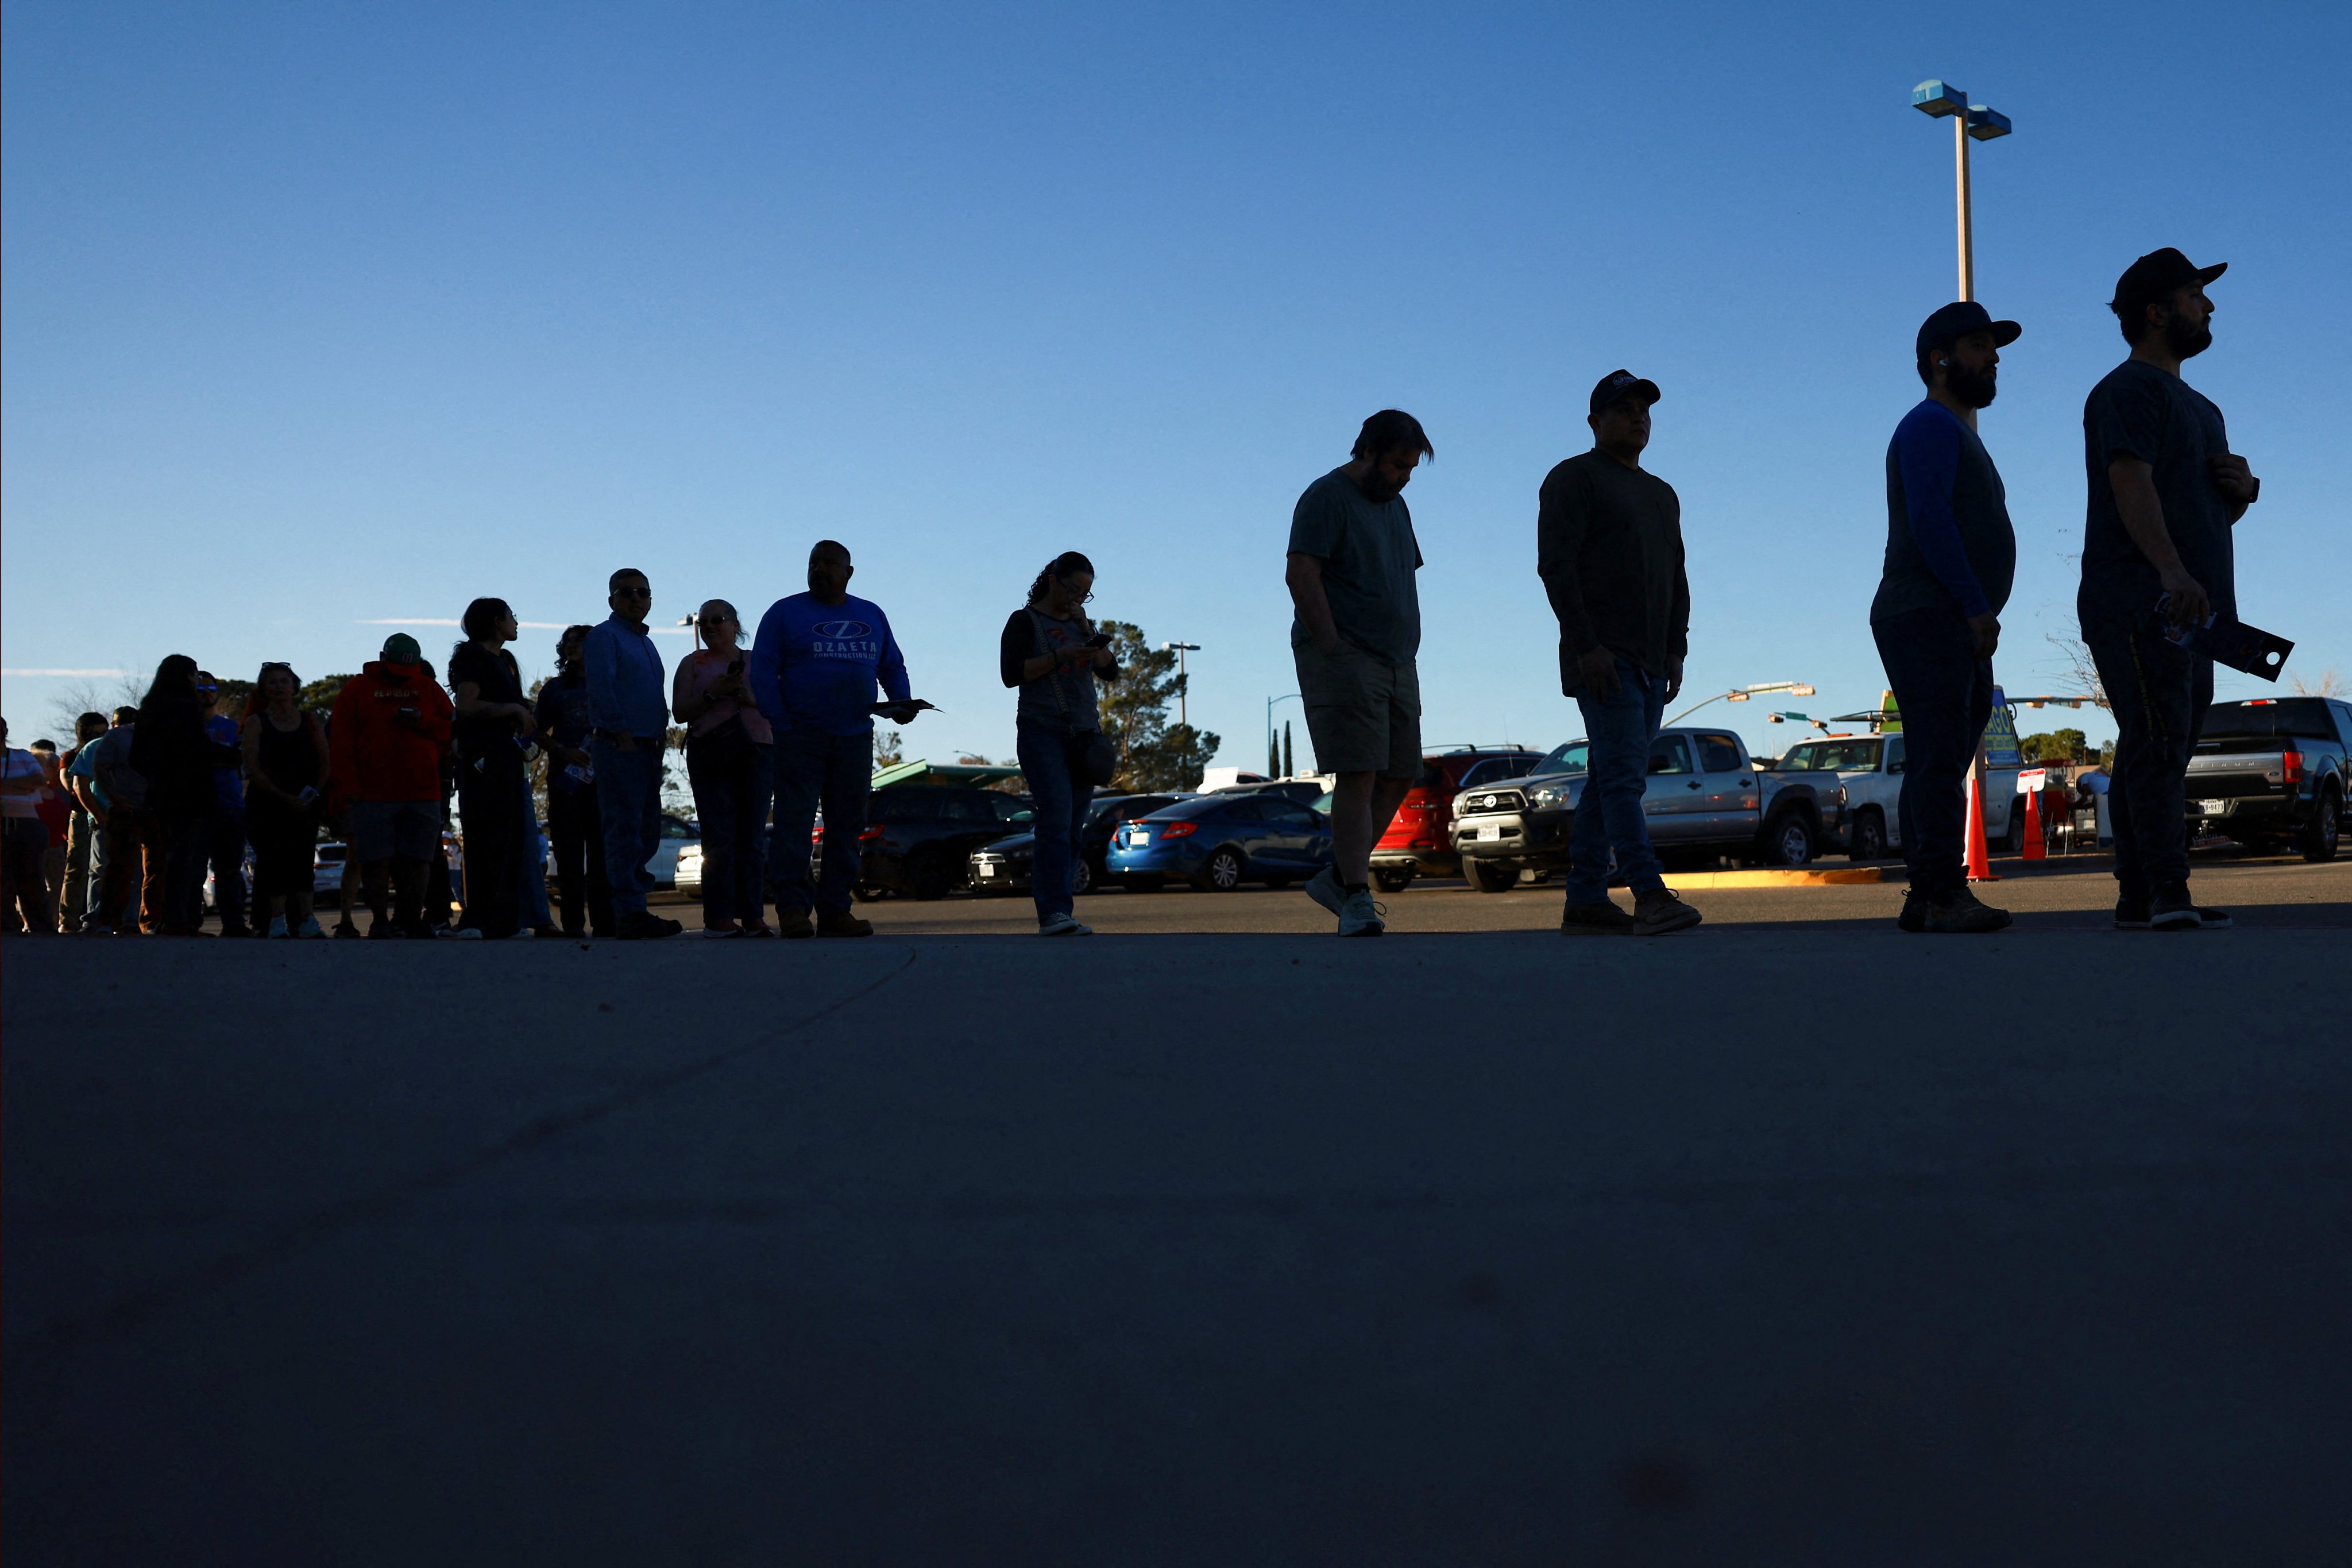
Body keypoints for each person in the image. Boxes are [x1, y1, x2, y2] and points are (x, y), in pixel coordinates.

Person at [2080, 249, 2254, 932]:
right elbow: (2131, 482)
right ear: (2156, 312)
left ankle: (2138, 894)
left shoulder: (2202, 406)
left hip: (2194, 610)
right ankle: (2167, 891)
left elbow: (2207, 507)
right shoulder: (2127, 392)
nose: (2208, 307)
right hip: (2138, 597)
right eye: (2193, 296)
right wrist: (2170, 571)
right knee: (2155, 738)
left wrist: (2244, 492)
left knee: (2162, 741)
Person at [1869, 304, 2022, 935]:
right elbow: (1930, 520)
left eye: (1995, 347)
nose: (1994, 357)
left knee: (1944, 754)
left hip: (1950, 615)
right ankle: (1939, 892)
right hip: (1929, 611)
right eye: (1980, 346)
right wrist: (1972, 602)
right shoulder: (1929, 426)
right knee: (1937, 755)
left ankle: (1925, 895)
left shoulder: (1957, 432)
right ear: (1940, 359)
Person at [1536, 374, 1704, 937]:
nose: (1638, 418)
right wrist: (1587, 646)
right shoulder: (1574, 479)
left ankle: (1585, 899)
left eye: (1644, 411)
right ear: (1594, 422)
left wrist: (1676, 648)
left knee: (1611, 779)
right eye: (1624, 410)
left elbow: (1675, 574)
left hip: (1654, 662)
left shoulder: (1662, 494)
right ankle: (1649, 892)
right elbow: (1556, 567)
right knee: (1626, 778)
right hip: (1605, 659)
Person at [1287, 410, 1433, 938]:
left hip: (1398, 660)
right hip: (1346, 657)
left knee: (1399, 772)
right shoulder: (1324, 497)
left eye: (1411, 468)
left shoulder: (1397, 507)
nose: (1403, 476)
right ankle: (1355, 896)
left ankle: (1336, 876)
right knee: (1358, 771)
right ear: (1368, 451)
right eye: (1397, 464)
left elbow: (1397, 578)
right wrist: (1330, 644)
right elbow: (1301, 572)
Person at [750, 540, 924, 939]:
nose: (820, 570)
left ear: (849, 572)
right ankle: (793, 911)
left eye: (830, 564)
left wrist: (900, 703)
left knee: (846, 827)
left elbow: (891, 665)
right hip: (800, 737)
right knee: (793, 827)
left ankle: (835, 911)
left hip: (855, 738)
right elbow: (762, 671)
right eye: (814, 563)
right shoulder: (783, 612)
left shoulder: (871, 614)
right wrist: (781, 723)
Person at [1000, 552, 1121, 936]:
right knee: (1054, 817)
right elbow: (1010, 674)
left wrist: (1086, 631)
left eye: (1085, 594)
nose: (1077, 599)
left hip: (1084, 736)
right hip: (1042, 731)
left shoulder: (1081, 624)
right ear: (1053, 580)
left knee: (1072, 826)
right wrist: (1059, 657)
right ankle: (1052, 912)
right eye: (1073, 590)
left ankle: (1062, 910)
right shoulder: (1024, 622)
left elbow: (1110, 671)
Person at [329, 632, 455, 938]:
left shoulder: (428, 687)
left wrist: (422, 721)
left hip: (423, 790)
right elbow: (340, 741)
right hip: (372, 793)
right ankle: (379, 921)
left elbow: (452, 728)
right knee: (375, 859)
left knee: (420, 858)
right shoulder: (357, 689)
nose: (402, 680)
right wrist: (349, 787)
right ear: (382, 658)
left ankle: (411, 919)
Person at [585, 569, 682, 940]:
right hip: (620, 746)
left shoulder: (646, 643)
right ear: (612, 599)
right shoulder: (604, 636)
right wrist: (621, 733)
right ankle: (628, 912)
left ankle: (631, 909)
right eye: (627, 592)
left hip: (648, 748)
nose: (636, 598)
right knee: (625, 830)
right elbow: (602, 688)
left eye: (643, 592)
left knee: (645, 831)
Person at [674, 598, 776, 937]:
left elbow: (780, 703)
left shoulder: (757, 662)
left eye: (718, 620)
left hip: (757, 751)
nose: (711, 627)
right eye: (704, 623)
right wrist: (712, 695)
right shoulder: (691, 664)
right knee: (718, 838)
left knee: (752, 837)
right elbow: (679, 712)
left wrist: (750, 699)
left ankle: (753, 916)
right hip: (711, 754)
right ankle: (718, 918)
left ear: (736, 625)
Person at [128, 655, 240, 935]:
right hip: (192, 794)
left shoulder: (149, 708)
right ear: (188, 675)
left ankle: (172, 917)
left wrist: (157, 777)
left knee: (171, 856)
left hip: (162, 795)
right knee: (187, 860)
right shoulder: (185, 707)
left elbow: (136, 757)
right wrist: (234, 756)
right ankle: (180, 920)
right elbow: (196, 748)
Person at [448, 598, 535, 939]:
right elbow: (467, 705)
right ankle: (477, 920)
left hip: (506, 756)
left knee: (511, 839)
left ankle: (504, 920)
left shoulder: (501, 662)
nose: (517, 623)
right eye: (512, 617)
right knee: (487, 837)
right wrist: (512, 709)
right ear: (496, 621)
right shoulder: (473, 657)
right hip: (484, 758)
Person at [536, 624, 615, 938]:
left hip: (603, 781)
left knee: (602, 853)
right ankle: (572, 924)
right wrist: (562, 750)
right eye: (567, 641)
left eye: (579, 640)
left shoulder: (610, 682)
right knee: (569, 855)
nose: (571, 645)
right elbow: (536, 732)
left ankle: (605, 922)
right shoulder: (555, 689)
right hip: (564, 782)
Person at [241, 662, 330, 938]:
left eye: (284, 681)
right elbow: (251, 767)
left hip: (305, 804)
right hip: (267, 803)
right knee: (273, 861)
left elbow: (326, 761)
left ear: (294, 687)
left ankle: (307, 919)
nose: (279, 686)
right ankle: (276, 920)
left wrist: (313, 792)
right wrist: (280, 796)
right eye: (272, 682)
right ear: (264, 689)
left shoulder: (310, 720)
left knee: (303, 862)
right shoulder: (257, 722)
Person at [67, 706, 142, 934]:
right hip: (106, 817)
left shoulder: (143, 747)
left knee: (135, 872)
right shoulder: (95, 747)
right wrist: (99, 817)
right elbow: (80, 786)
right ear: (114, 725)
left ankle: (129, 921)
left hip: (136, 816)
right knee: (101, 869)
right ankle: (95, 920)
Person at [196, 672, 253, 937]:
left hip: (230, 807)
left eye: (211, 688)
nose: (206, 693)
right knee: (193, 868)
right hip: (195, 808)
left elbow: (241, 761)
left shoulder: (231, 727)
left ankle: (234, 923)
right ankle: (189, 921)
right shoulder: (181, 727)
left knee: (229, 870)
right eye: (200, 688)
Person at [2, 719, 56, 934]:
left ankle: (41, 927)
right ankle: (7, 926)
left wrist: (4, 786)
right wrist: (20, 787)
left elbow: (38, 780)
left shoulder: (22, 756)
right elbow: (30, 784)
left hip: (26, 822)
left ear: (6, 730)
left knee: (32, 876)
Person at [59, 711, 109, 933]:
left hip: (104, 814)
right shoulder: (72, 756)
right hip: (80, 816)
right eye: (94, 732)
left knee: (101, 868)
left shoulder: (110, 750)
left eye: (103, 731)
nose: (99, 736)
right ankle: (68, 920)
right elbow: (70, 785)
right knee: (77, 868)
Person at [30, 741, 74, 929]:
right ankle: (30, 922)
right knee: (33, 885)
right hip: (34, 846)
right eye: (53, 767)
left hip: (56, 846)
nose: (59, 770)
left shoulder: (61, 792)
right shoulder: (30, 792)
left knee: (57, 887)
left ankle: (54, 923)